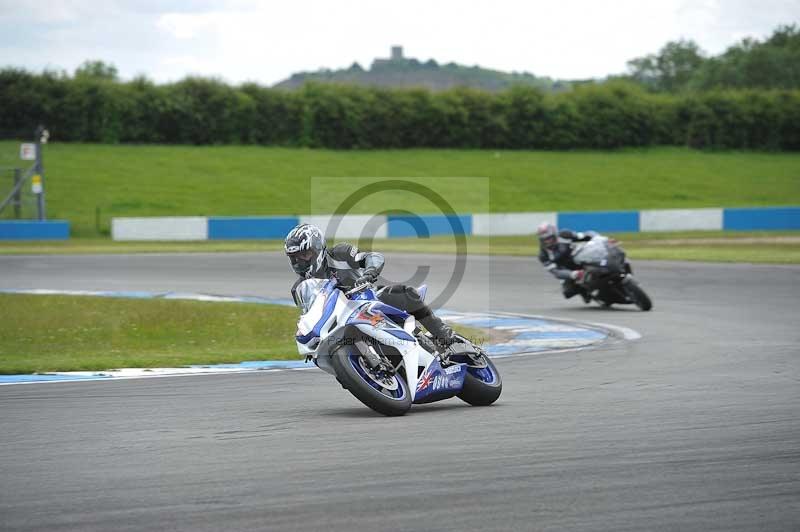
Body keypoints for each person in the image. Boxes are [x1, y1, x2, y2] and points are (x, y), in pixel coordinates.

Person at [284, 223, 457, 350]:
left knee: (406, 294)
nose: (299, 261)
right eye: (294, 257)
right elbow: (311, 315)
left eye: (304, 254)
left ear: (316, 248)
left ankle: (446, 336)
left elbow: (373, 257)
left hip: (368, 300)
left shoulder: (340, 253)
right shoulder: (299, 288)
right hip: (341, 322)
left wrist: (369, 273)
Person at [536, 222, 597, 302]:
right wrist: (573, 274)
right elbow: (555, 272)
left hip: (579, 258)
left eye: (549, 238)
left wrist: (600, 239)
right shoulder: (543, 255)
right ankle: (584, 292)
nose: (547, 242)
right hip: (566, 270)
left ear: (555, 234)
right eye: (544, 240)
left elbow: (586, 235)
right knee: (568, 292)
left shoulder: (564, 235)